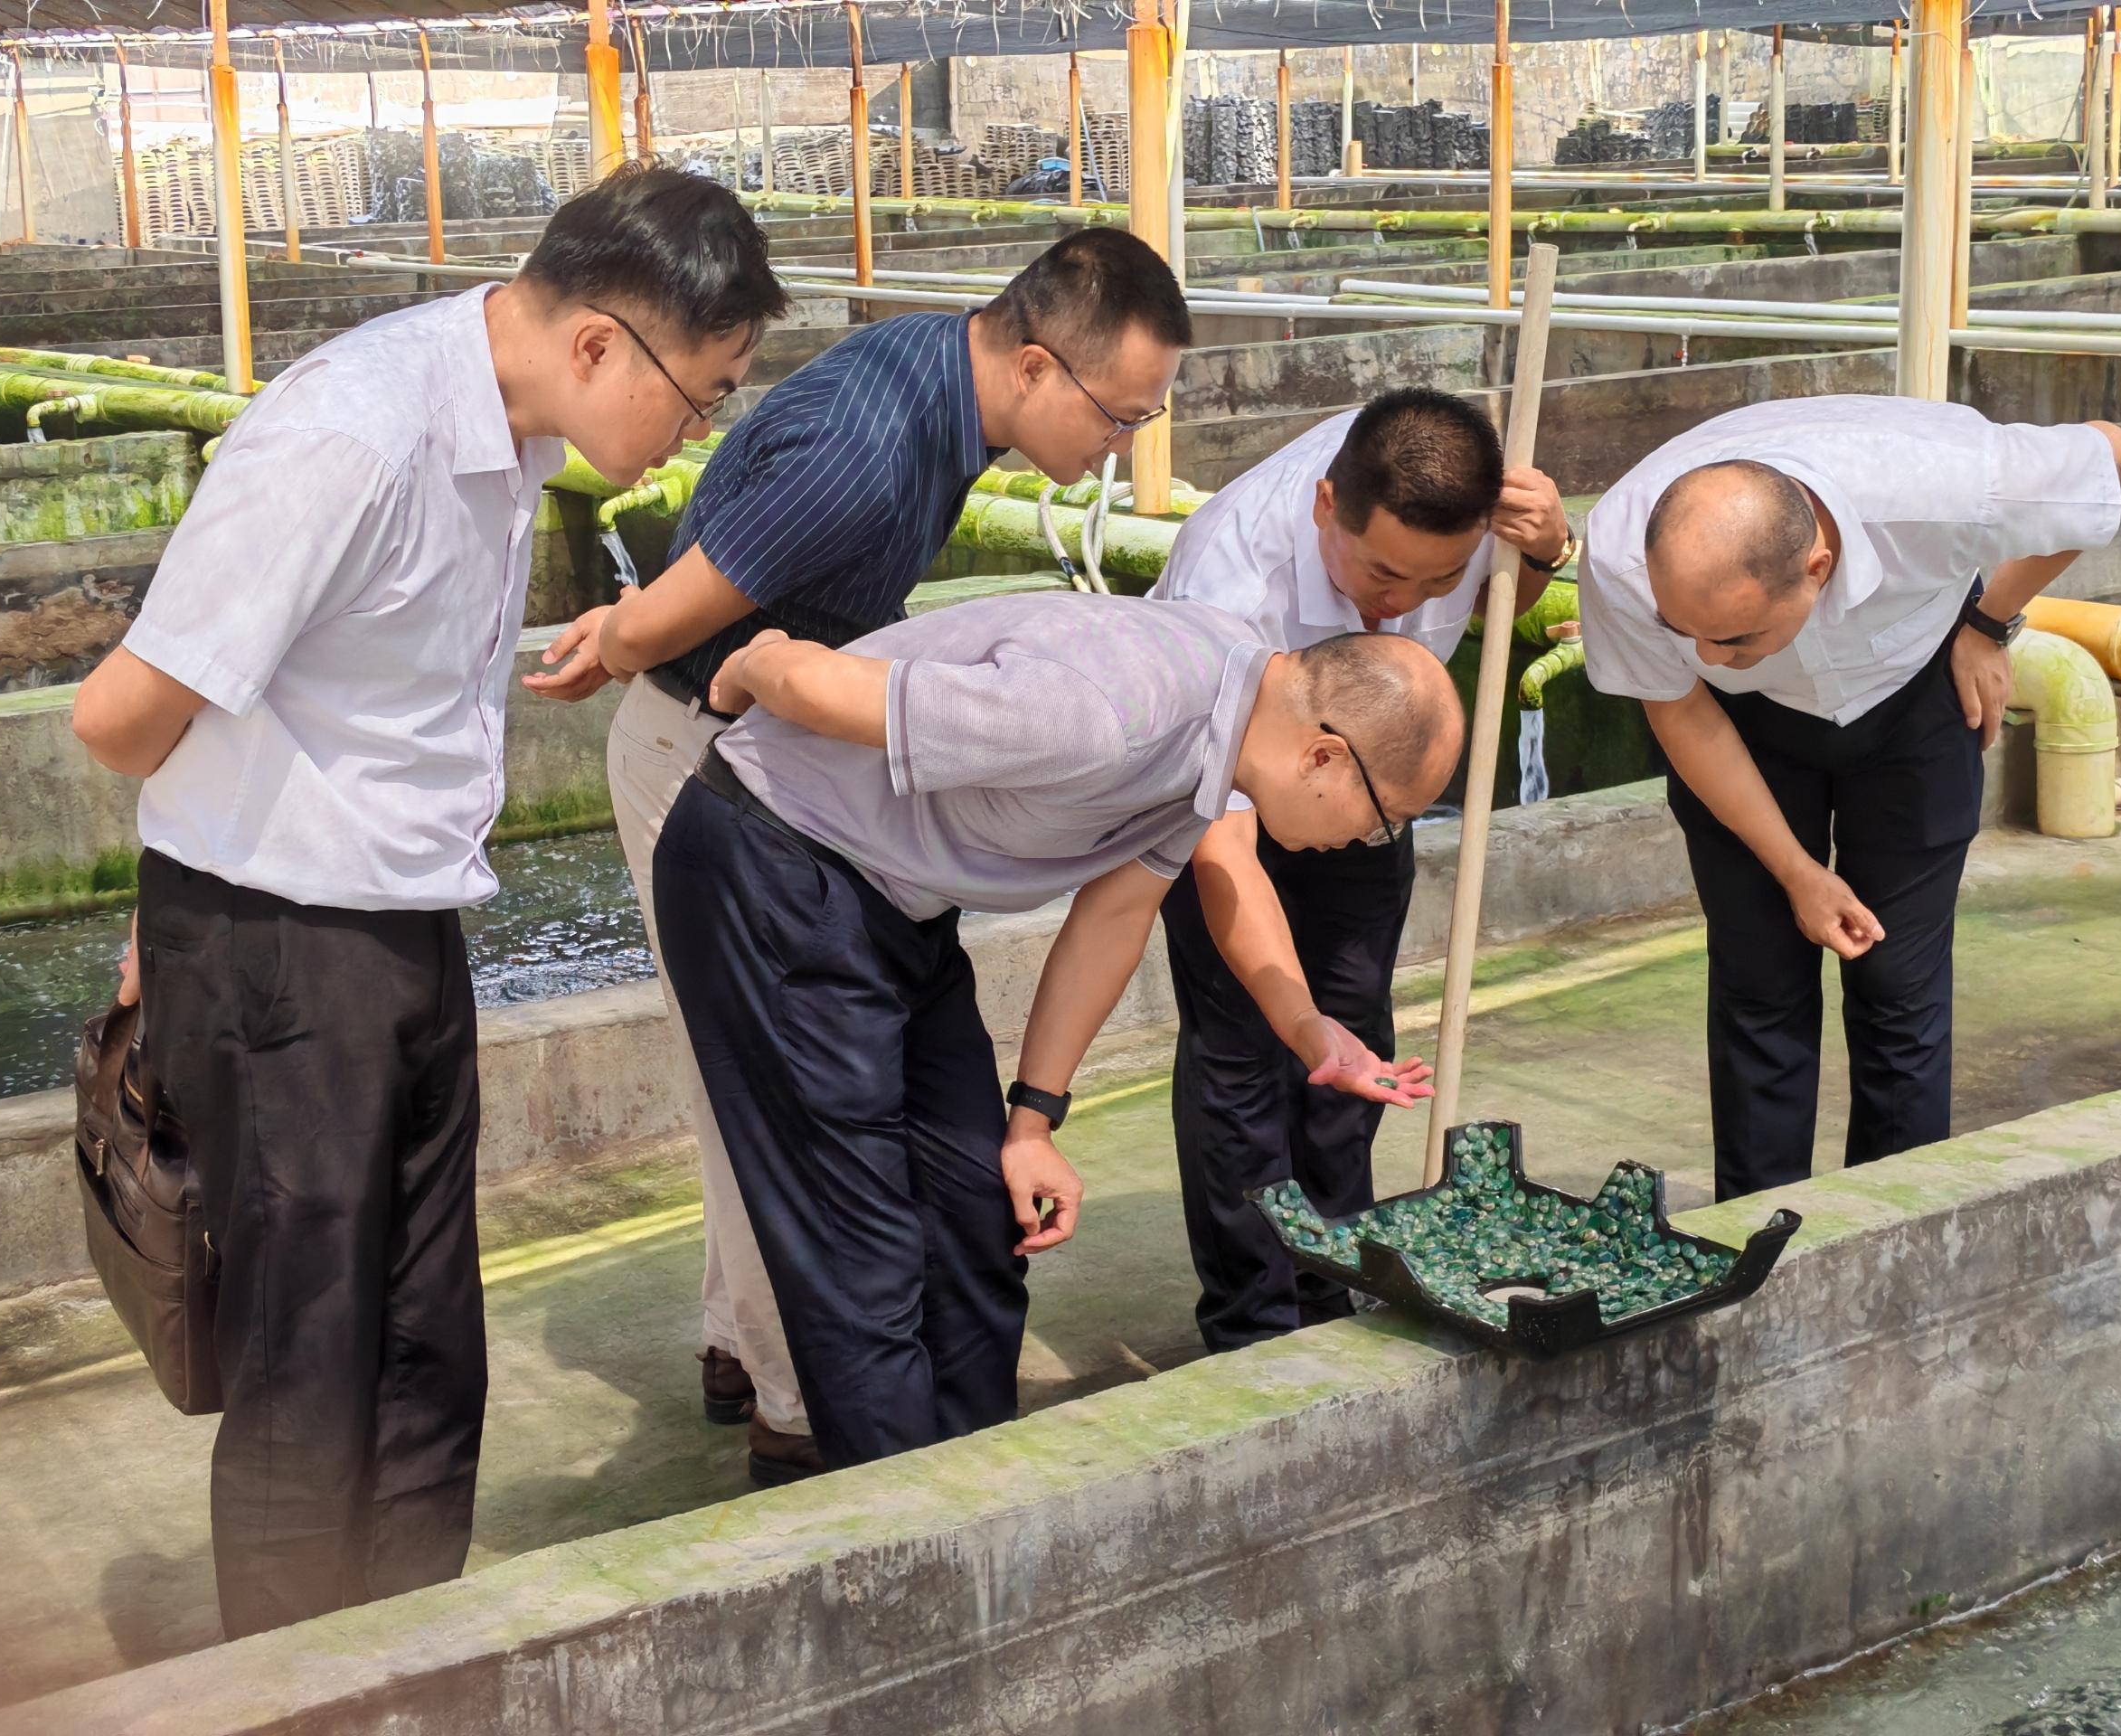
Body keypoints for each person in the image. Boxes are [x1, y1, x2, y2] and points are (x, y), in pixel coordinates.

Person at [67, 165, 785, 1639]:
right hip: (276, 941)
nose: (699, 432)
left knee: (425, 1356)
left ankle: (407, 1665)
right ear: (600, 345)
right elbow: (120, 715)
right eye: (701, 396)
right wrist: (189, 885)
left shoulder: (506, 433)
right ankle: (296, 1693)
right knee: (311, 1367)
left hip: (398, 930)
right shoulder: (353, 433)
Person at [523, 227, 1189, 1483]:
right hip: (717, 753)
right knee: (778, 1106)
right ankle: (797, 1411)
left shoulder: (935, 375)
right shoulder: (872, 452)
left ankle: (739, 1343)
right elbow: (674, 619)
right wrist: (615, 641)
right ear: (1036, 366)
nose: (1120, 448)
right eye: (1118, 417)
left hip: (762, 747)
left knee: (747, 1082)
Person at [647, 592, 1466, 1473]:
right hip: (771, 856)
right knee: (863, 1256)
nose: (1371, 840)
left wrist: (1034, 1122)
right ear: (1324, 756)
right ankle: (910, 1523)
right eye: (1384, 818)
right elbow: (814, 683)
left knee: (976, 1218)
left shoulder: (1234, 712)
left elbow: (1117, 912)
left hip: (894, 900)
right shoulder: (1102, 715)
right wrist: (752, 661)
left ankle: (978, 1486)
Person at [1577, 397, 2121, 1202]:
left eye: (1732, 636)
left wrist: (1989, 623)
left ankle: (1891, 1222)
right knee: (1759, 981)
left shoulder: (1943, 486)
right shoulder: (1624, 546)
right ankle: (1759, 1226)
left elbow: (2110, 455)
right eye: (1682, 629)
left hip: (1914, 693)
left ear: (1817, 566)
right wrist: (1796, 871)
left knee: (1897, 985)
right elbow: (1683, 705)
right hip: (1740, 729)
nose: (1705, 653)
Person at [1145, 388, 1571, 1353]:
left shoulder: (1464, 518)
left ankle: (1334, 1282)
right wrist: (1293, 1020)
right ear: (1326, 506)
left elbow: (1504, 595)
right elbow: (1221, 849)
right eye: (1382, 574)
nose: (1402, 604)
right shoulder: (1228, 584)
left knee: (1354, 1043)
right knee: (1244, 1054)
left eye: (1438, 579)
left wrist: (1545, 551)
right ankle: (1255, 1325)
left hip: (1368, 795)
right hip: (1225, 802)